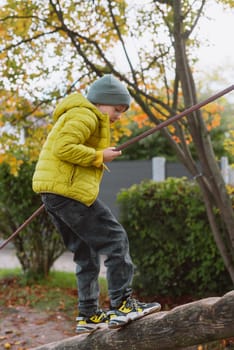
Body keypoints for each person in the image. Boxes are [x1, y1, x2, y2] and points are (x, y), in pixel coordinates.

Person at [32, 74, 161, 333]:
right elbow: (63, 148)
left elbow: (65, 150)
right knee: (115, 239)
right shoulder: (85, 114)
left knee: (86, 254)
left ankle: (89, 314)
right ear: (102, 102)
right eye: (117, 109)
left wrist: (97, 155)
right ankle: (122, 304)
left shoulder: (80, 115)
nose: (119, 116)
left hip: (56, 193)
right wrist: (97, 155)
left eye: (123, 112)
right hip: (68, 194)